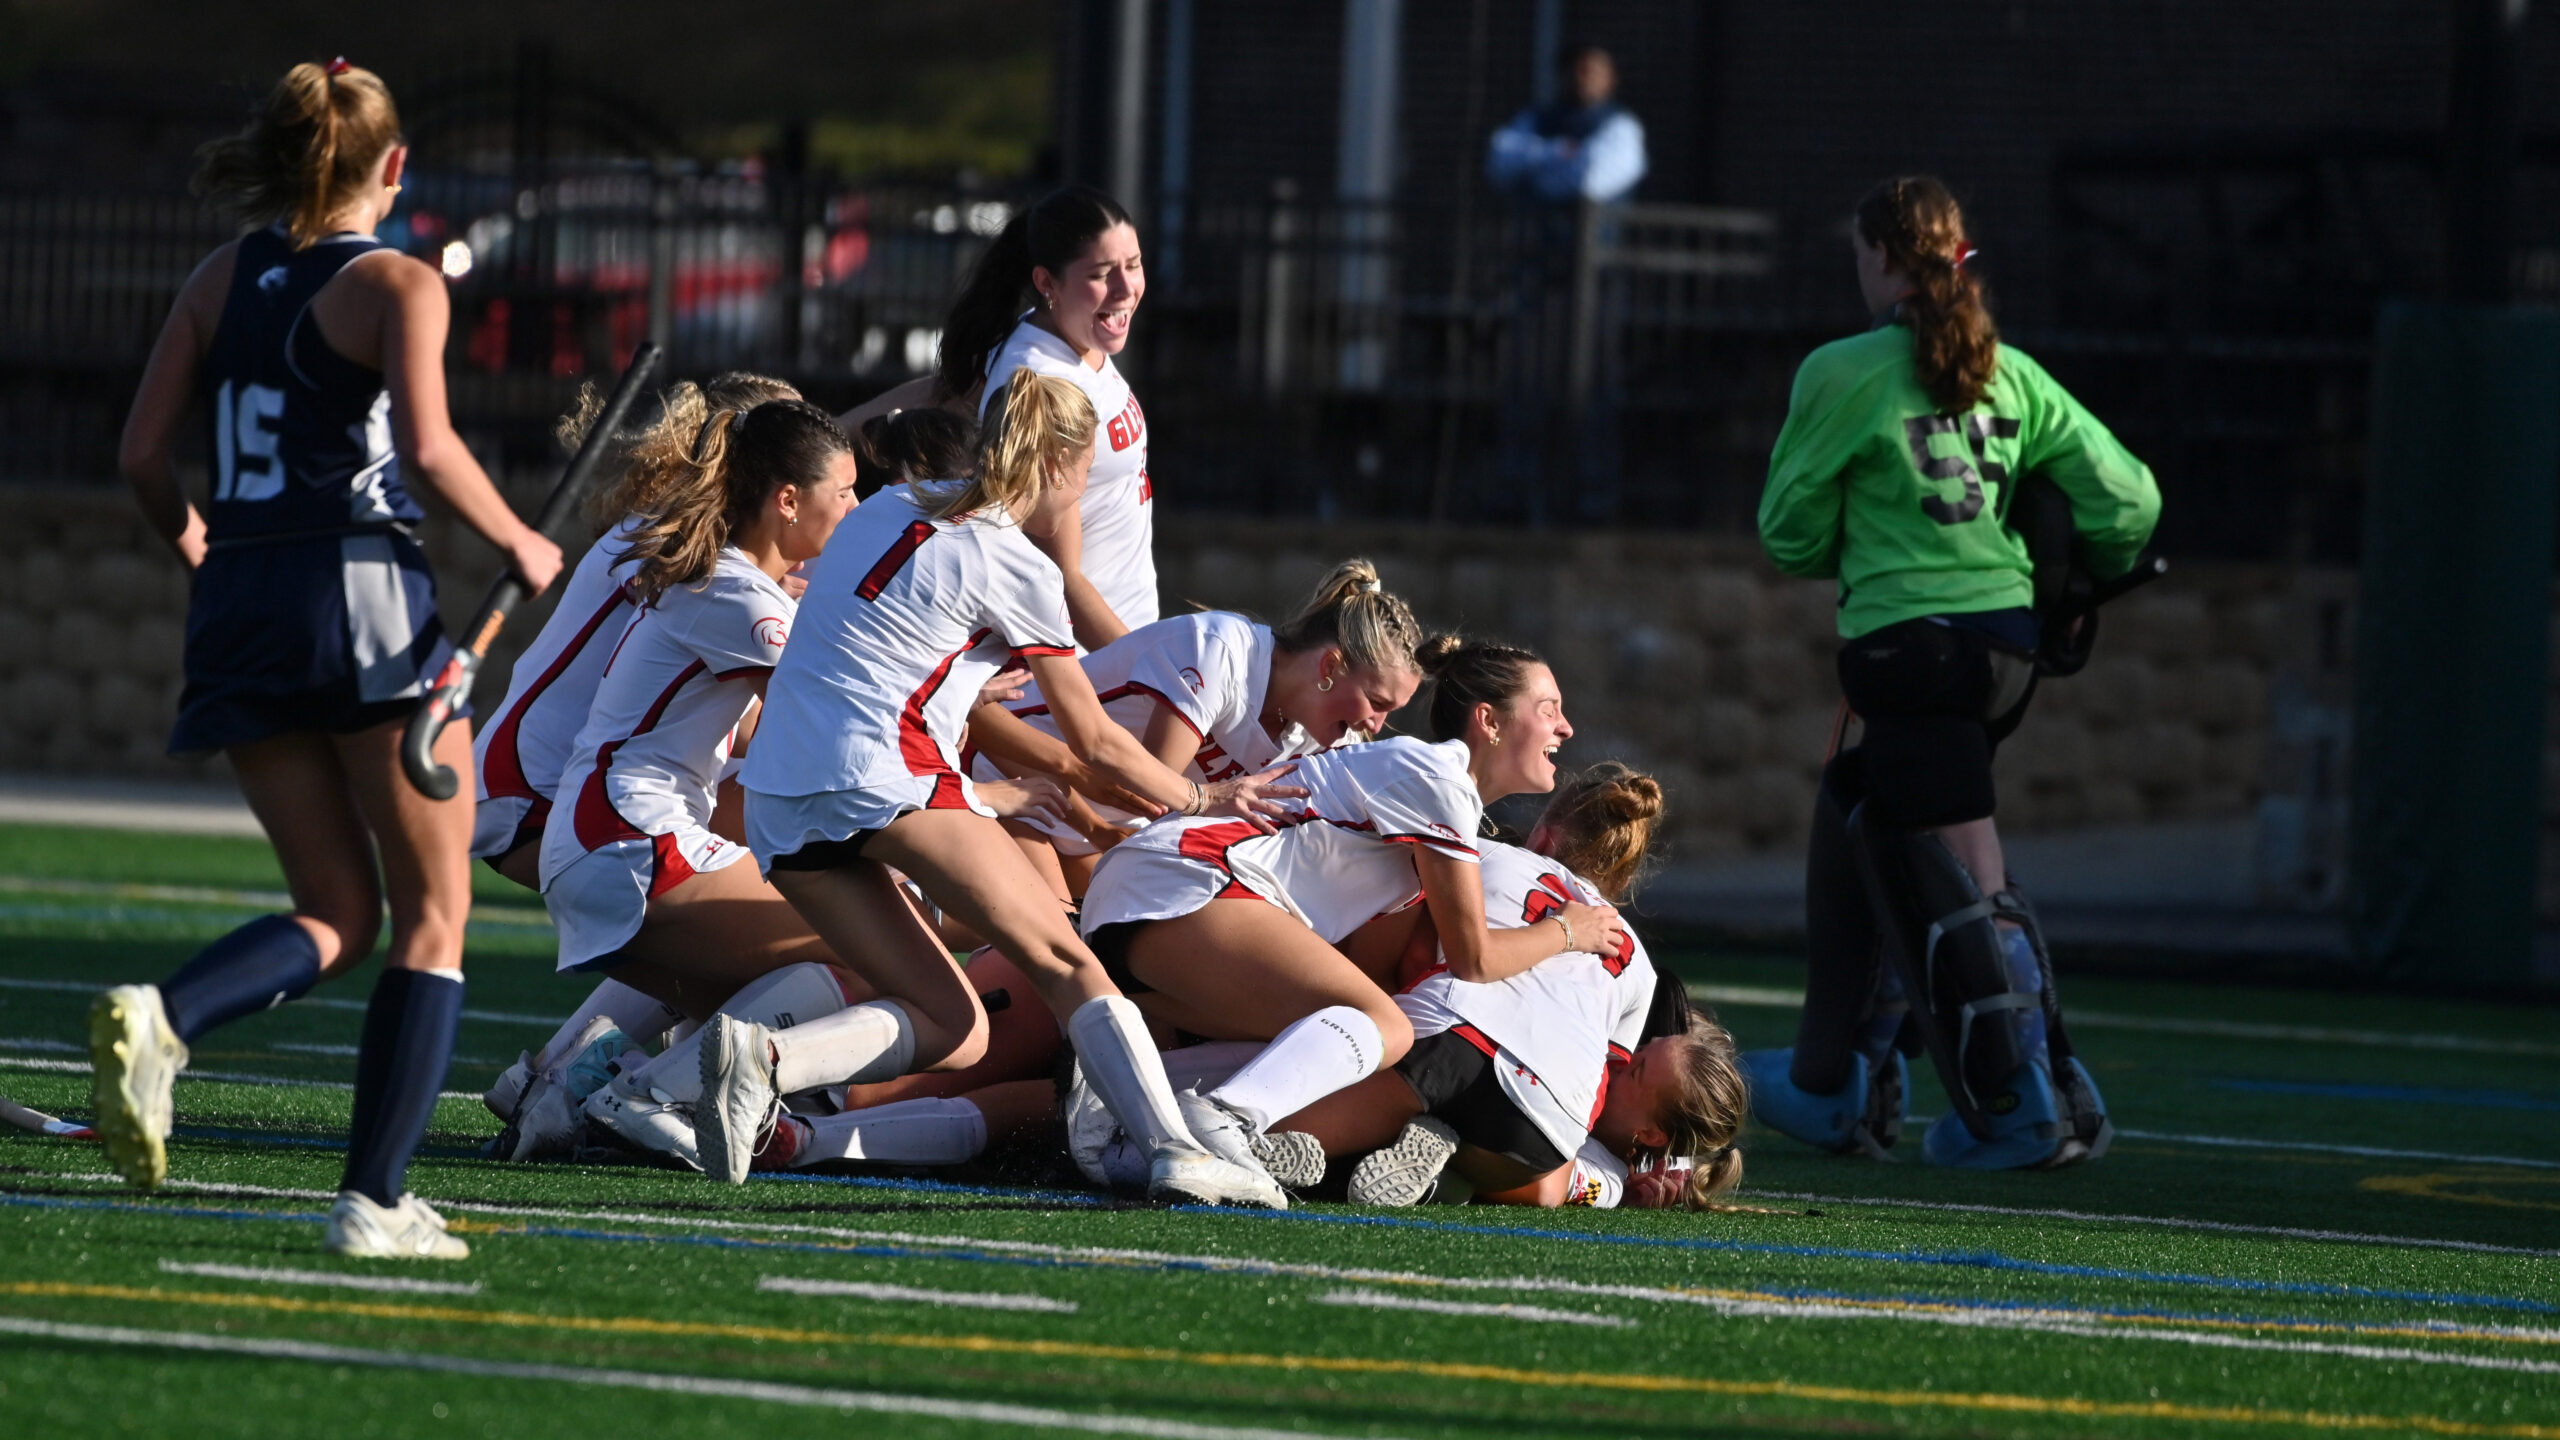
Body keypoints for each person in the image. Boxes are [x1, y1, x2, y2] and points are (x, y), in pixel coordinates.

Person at [92, 59, 563, 1258]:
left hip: (240, 601)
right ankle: (376, 1199)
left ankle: (167, 1013)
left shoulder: (218, 273)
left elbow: (144, 454)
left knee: (336, 911)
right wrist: (523, 540)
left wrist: (196, 539)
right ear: (393, 168)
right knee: (435, 914)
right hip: (358, 595)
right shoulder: (400, 282)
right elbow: (432, 448)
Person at [702, 370, 1302, 1207]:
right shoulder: (1016, 563)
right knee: (1067, 960)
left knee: (955, 1024)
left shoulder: (886, 505)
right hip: (882, 772)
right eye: (1087, 474)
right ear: (1058, 467)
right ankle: (1173, 1150)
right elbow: (1093, 738)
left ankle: (765, 1060)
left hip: (779, 794)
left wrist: (1085, 802)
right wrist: (1202, 800)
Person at [1747, 175, 2159, 1169]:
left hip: (1909, 651)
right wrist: (2072, 588)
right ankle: (1837, 1078)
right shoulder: (2007, 371)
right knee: (1869, 819)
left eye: (1860, 254)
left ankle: (2028, 1098)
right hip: (2004, 652)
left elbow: (1787, 535)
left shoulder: (1844, 370)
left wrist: (1863, 538)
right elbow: (2130, 500)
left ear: (1884, 258)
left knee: (1962, 869)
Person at [1064, 641, 1630, 1194]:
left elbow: (1362, 964)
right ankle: (1224, 1121)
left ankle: (1127, 1108)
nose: (1566, 728)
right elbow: (1474, 959)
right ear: (1489, 721)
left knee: (1327, 1040)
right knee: (1387, 1027)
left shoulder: (1435, 793)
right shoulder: (1441, 782)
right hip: (1187, 880)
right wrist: (1568, 932)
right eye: (1548, 709)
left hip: (1158, 888)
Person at [1265, 764, 1745, 1210]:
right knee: (1547, 1185)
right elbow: (1600, 1077)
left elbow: (1405, 957)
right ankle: (1438, 1175)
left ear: (1545, 834)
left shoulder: (1487, 855)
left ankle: (1303, 1148)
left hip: (1454, 1040)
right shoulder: (1635, 956)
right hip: (1542, 1127)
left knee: (1259, 1133)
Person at [969, 557, 1429, 895]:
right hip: (1003, 765)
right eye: (1376, 701)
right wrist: (1210, 802)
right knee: (1056, 954)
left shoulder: (1317, 733)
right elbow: (1145, 797)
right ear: (1330, 664)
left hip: (1092, 831)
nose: (1375, 724)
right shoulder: (1221, 651)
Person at [844, 188, 1154, 650]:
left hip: (1129, 631)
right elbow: (1062, 578)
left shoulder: (1067, 332)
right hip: (1097, 658)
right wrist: (1149, 674)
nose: (1126, 287)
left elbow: (946, 390)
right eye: (1102, 274)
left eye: (1133, 264)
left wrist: (829, 425)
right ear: (1048, 283)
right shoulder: (1041, 383)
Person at [1485, 45, 1649, 206]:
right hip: (1535, 231)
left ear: (1610, 78)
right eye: (1574, 69)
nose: (1581, 78)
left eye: (1590, 71)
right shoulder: (1537, 117)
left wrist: (1534, 173)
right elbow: (1500, 164)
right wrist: (1556, 151)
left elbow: (1590, 182)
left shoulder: (1622, 126)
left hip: (1594, 231)